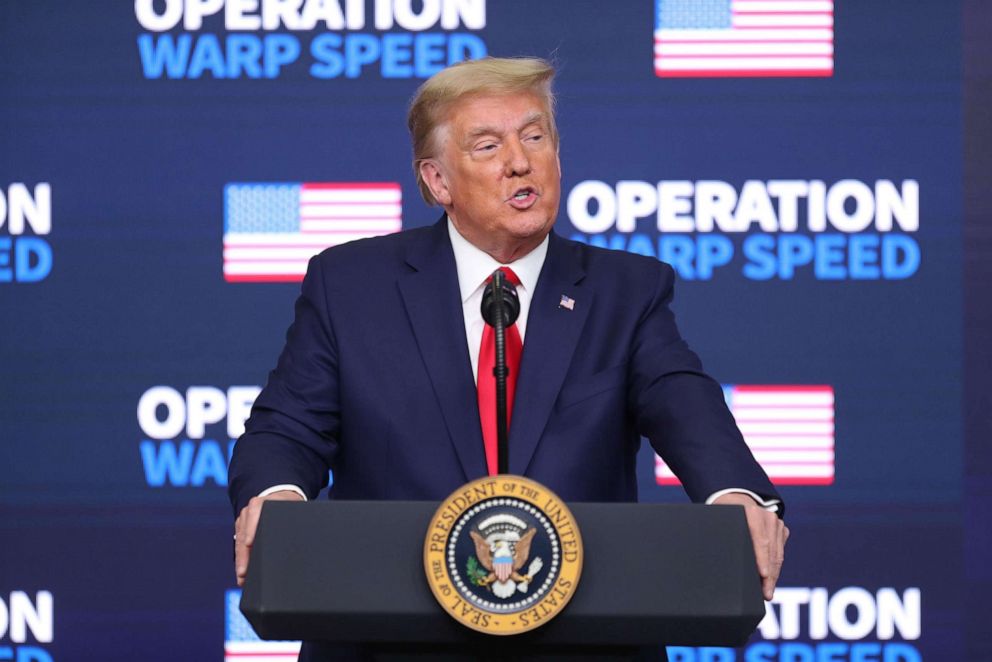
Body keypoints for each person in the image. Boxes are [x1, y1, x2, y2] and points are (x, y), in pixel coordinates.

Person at [229, 56, 788, 659]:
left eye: (534, 136)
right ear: (437, 182)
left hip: (579, 642)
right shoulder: (351, 286)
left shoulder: (626, 291)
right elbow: (287, 427)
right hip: (388, 643)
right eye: (488, 145)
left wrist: (737, 495)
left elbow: (686, 404)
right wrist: (277, 498)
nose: (520, 161)